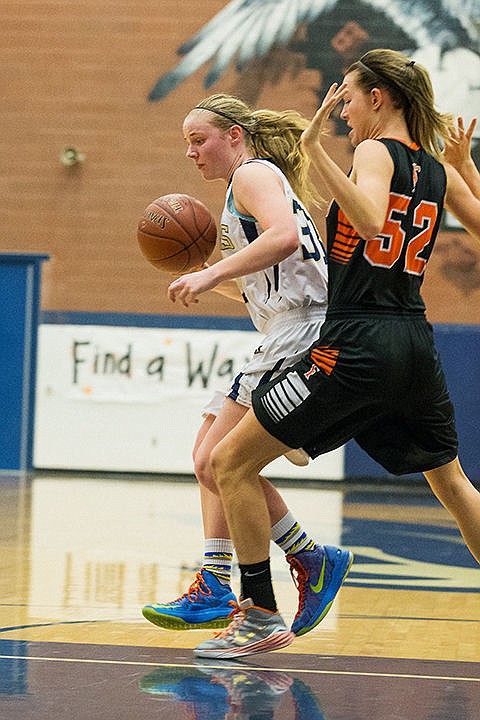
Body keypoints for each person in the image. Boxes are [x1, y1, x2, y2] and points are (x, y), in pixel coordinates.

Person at [186, 49, 480, 659]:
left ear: (380, 98)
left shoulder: (374, 152)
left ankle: (260, 613)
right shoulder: (434, 167)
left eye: (346, 97)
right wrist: (466, 169)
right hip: (413, 341)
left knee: (228, 463)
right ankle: (283, 578)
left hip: (358, 342)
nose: (339, 110)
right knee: (452, 484)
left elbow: (371, 220)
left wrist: (317, 150)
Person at [142, 93, 353, 639]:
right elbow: (268, 283)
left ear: (234, 135)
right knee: (207, 458)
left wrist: (210, 276)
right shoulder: (246, 191)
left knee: (220, 461)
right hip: (286, 327)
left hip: (304, 331)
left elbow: (283, 238)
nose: (191, 153)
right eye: (186, 143)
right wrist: (208, 272)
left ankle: (295, 562)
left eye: (198, 139)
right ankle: (225, 579)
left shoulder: (255, 174)